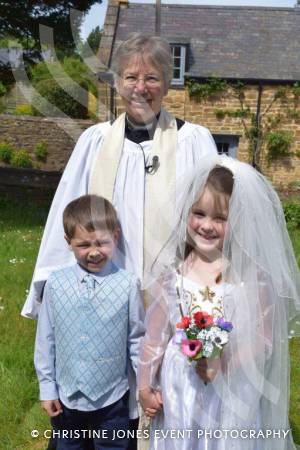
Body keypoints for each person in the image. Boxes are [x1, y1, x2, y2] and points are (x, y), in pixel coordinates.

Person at [23, 33, 217, 449]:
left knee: (161, 405)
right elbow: (69, 210)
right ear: (117, 83)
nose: (140, 87)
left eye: (151, 77)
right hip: (103, 294)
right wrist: (50, 285)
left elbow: (210, 215)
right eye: (131, 77)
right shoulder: (95, 143)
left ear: (167, 83)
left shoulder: (194, 141)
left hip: (169, 295)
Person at [138, 154, 300, 450]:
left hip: (232, 385)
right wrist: (145, 386)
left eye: (220, 218)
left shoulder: (252, 279)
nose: (207, 226)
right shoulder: (172, 275)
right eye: (199, 213)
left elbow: (264, 340)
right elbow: (154, 338)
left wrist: (225, 362)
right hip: (181, 388)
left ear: (238, 221)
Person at [34, 194, 145, 450]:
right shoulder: (55, 284)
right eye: (84, 245)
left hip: (112, 399)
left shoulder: (128, 284)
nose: (94, 252)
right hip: (67, 399)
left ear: (115, 238)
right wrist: (47, 388)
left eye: (102, 243)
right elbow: (45, 339)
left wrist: (144, 385)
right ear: (68, 242)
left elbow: (137, 339)